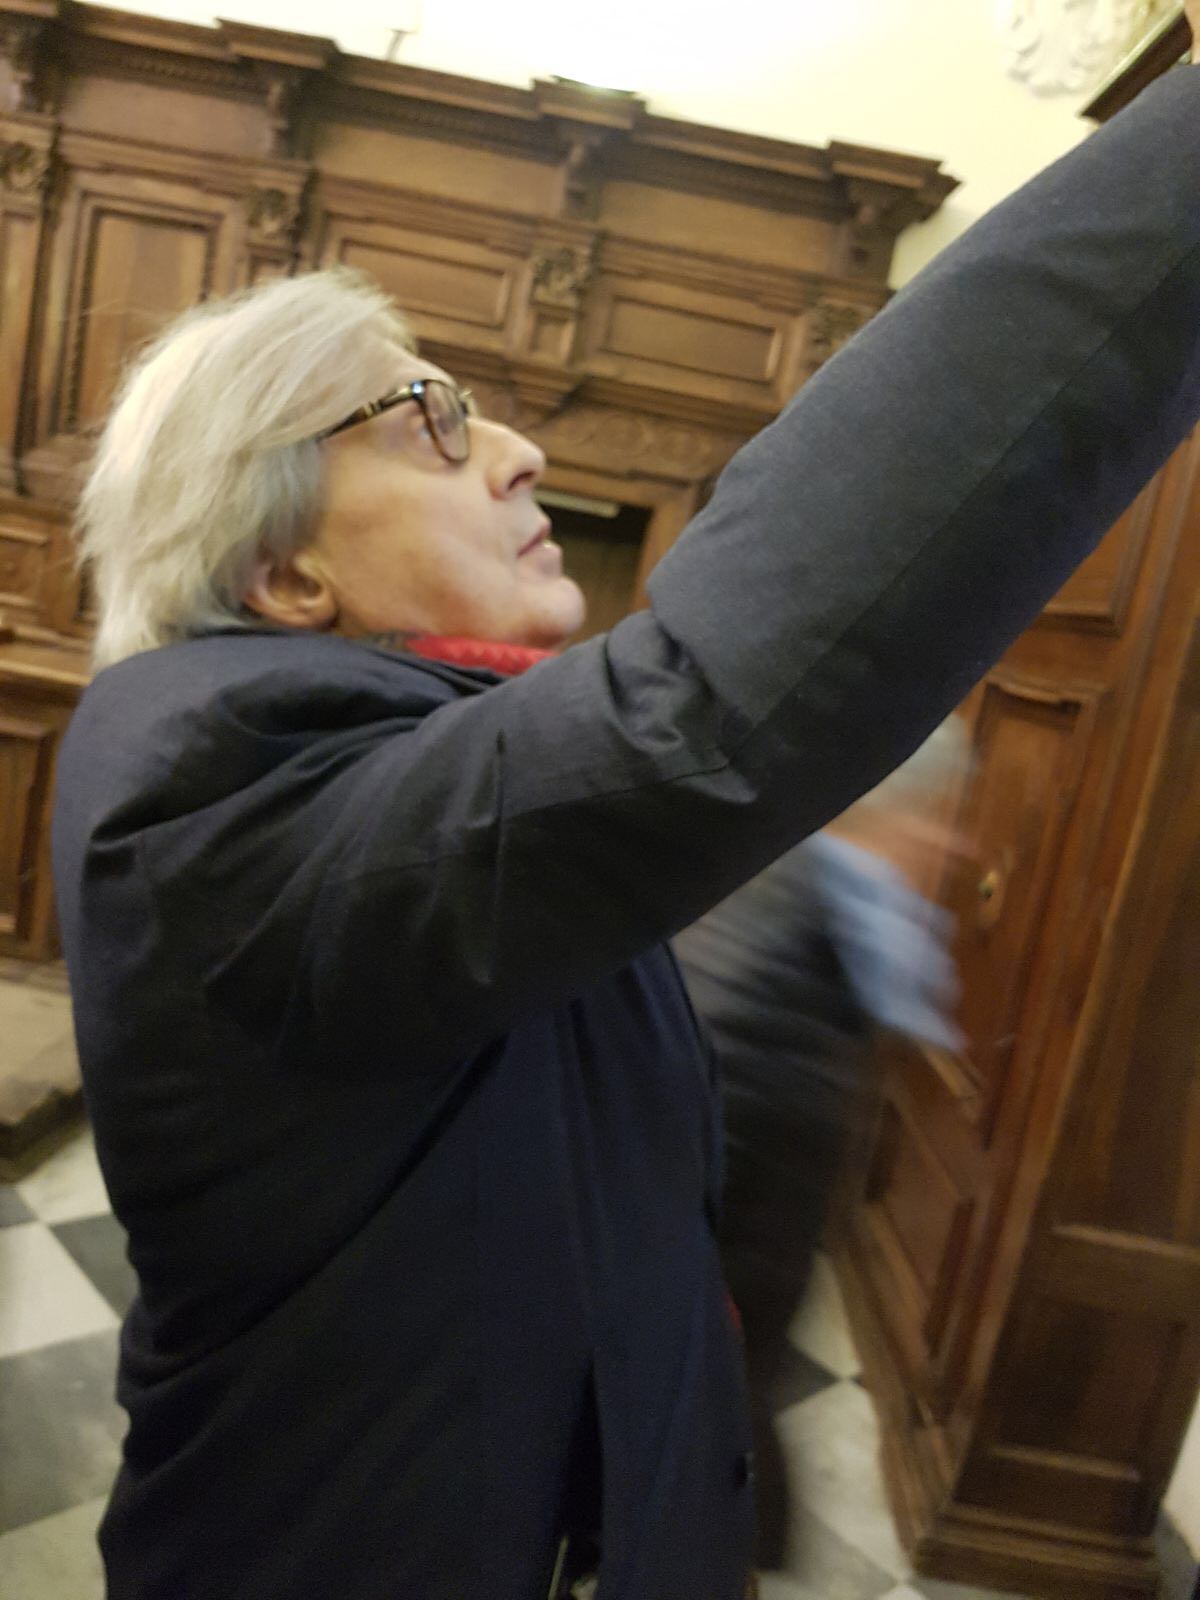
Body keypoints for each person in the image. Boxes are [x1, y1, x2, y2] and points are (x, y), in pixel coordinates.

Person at [51, 19, 1200, 1597]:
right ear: (283, 570)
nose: (521, 453)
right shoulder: (211, 783)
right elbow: (698, 710)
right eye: (431, 420)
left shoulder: (382, 744)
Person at [673, 718, 973, 1569]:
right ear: (872, 809)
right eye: (933, 815)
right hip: (732, 1231)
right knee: (727, 1403)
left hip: (708, 1226)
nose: (949, 843)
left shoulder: (771, 872)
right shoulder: (827, 917)